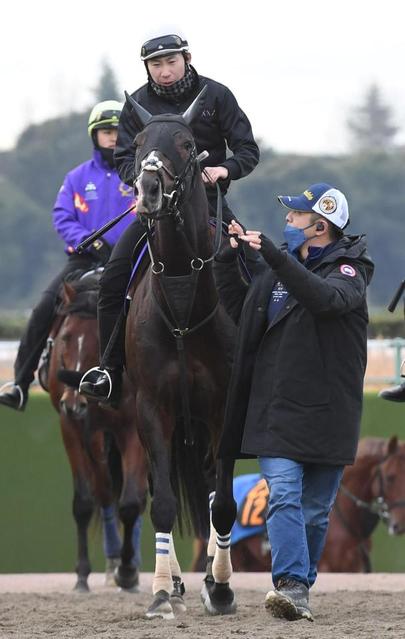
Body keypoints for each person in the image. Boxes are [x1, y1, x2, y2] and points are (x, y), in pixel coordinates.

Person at [213, 183, 374, 621]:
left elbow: (324, 301)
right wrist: (228, 261)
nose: (287, 220)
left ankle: (298, 588)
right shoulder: (275, 275)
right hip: (276, 413)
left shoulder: (349, 272)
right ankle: (291, 585)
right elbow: (241, 310)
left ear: (319, 226)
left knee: (316, 513)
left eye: (296, 215)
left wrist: (273, 256)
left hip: (329, 414)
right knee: (283, 494)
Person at [80, 32, 260, 404]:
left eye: (171, 62)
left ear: (187, 58)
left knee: (255, 267)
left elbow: (247, 151)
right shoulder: (136, 104)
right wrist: (140, 181)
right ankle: (109, 371)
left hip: (209, 205)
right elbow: (124, 159)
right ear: (147, 68)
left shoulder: (217, 96)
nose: (164, 72)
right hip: (155, 210)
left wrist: (224, 170)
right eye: (155, 65)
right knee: (114, 277)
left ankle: (265, 365)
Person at [0, 100, 136, 411]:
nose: (113, 137)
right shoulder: (76, 177)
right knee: (44, 307)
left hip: (133, 260)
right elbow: (62, 217)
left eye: (118, 131)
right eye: (106, 132)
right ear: (94, 136)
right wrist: (91, 243)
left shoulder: (139, 174)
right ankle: (20, 384)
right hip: (85, 259)